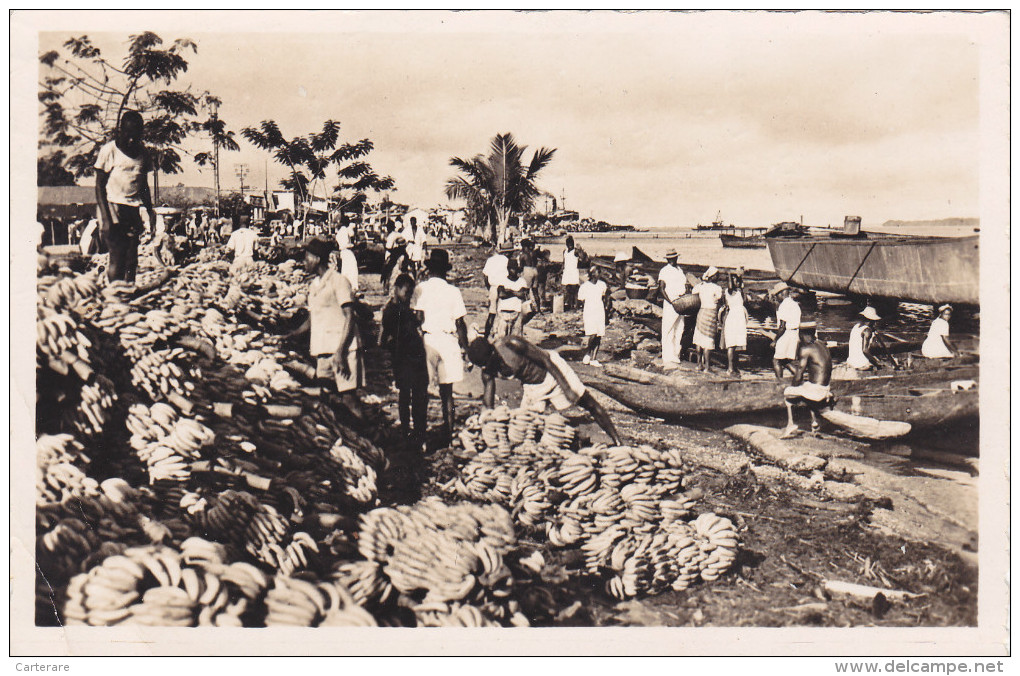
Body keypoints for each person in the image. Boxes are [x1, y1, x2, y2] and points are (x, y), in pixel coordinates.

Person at [467, 335, 623, 445]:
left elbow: (546, 360)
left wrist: (566, 388)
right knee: (525, 427)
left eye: (489, 362)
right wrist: (483, 422)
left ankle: (618, 441)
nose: (488, 368)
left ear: (493, 352)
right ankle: (567, 445)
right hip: (533, 388)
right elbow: (488, 405)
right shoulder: (487, 371)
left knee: (589, 403)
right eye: (483, 366)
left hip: (553, 372)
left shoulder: (511, 344)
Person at [286, 238, 364, 422]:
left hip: (343, 350)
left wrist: (340, 352)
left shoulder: (338, 281)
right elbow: (312, 320)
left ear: (316, 258)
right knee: (325, 396)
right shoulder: (314, 286)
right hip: (323, 352)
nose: (304, 262)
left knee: (348, 398)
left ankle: (364, 438)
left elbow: (350, 316)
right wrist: (292, 334)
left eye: (306, 258)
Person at [413, 248, 469, 443]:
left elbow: (418, 317)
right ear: (446, 270)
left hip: (428, 341)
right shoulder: (453, 291)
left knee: (423, 391)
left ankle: (421, 436)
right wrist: (466, 350)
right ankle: (449, 434)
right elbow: (460, 324)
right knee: (447, 393)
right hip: (448, 341)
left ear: (429, 269)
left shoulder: (421, 288)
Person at [94, 110, 156, 283]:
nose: (131, 140)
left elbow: (143, 185)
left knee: (132, 258)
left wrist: (150, 211)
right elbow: (99, 186)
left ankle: (128, 292)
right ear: (120, 130)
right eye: (127, 134)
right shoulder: (109, 151)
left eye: (135, 136)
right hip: (112, 205)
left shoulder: (143, 154)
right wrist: (105, 218)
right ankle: (115, 294)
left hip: (132, 207)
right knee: (117, 255)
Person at [379, 274, 429, 448]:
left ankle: (413, 431)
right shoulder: (392, 311)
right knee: (408, 395)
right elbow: (384, 335)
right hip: (403, 358)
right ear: (397, 289)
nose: (408, 296)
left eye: (410, 293)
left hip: (412, 357)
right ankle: (410, 431)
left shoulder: (402, 309)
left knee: (413, 396)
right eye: (406, 292)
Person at [781, 322, 833, 438]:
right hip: (825, 388)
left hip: (817, 391)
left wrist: (793, 388)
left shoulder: (805, 348)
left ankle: (791, 425)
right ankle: (814, 423)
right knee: (806, 386)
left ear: (801, 334)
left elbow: (799, 374)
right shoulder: (822, 345)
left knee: (787, 394)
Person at [657, 249, 688, 370]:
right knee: (668, 328)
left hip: (681, 302)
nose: (674, 259)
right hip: (671, 303)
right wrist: (671, 302)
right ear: (668, 259)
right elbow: (661, 288)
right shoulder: (664, 271)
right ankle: (667, 355)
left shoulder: (679, 270)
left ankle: (676, 354)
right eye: (672, 258)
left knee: (679, 328)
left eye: (675, 257)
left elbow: (684, 285)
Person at [691, 267, 724, 373]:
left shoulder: (701, 286)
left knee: (699, 339)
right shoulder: (717, 288)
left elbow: (693, 292)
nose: (718, 277)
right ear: (713, 276)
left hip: (701, 312)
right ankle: (707, 367)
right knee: (708, 340)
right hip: (710, 313)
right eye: (717, 275)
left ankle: (699, 364)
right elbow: (719, 298)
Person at [577, 266, 610, 367]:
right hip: (589, 311)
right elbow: (580, 301)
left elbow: (606, 297)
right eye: (596, 272)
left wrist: (607, 309)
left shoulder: (602, 285)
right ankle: (588, 353)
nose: (598, 274)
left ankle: (594, 358)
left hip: (600, 310)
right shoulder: (584, 286)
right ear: (591, 274)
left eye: (599, 272)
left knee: (599, 335)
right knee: (592, 334)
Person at [771, 282, 802, 380]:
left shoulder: (784, 305)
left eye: (777, 295)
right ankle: (799, 377)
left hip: (786, 335)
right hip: (794, 334)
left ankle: (779, 381)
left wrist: (775, 340)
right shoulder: (794, 304)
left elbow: (782, 327)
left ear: (782, 293)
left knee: (776, 360)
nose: (776, 297)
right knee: (786, 361)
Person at [722, 271, 748, 375]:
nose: (736, 282)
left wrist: (739, 276)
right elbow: (730, 286)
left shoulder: (739, 292)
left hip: (739, 320)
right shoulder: (728, 291)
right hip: (732, 319)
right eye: (734, 281)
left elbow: (743, 300)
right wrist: (730, 275)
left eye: (737, 281)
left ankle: (735, 367)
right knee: (731, 344)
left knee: (737, 345)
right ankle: (730, 368)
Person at [494, 259, 528, 338]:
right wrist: (516, 292)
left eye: (515, 269)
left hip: (517, 313)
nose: (514, 271)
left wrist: (509, 291)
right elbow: (502, 294)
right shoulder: (502, 280)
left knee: (516, 340)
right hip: (503, 314)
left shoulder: (522, 281)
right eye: (512, 269)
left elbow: (523, 294)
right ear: (508, 269)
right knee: (501, 339)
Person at [482, 244, 510, 338]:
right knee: (503, 314)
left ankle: (486, 336)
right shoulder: (506, 260)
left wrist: (489, 288)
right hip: (504, 288)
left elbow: (485, 277)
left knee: (492, 313)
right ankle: (502, 336)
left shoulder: (490, 260)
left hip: (493, 287)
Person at [846, 306, 884, 370]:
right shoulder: (867, 330)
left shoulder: (856, 326)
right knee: (881, 366)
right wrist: (877, 363)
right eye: (874, 321)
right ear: (871, 320)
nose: (875, 323)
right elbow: (865, 350)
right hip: (861, 365)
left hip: (850, 362)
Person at [381, 221, 407, 294]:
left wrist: (384, 245)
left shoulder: (391, 236)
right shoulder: (398, 234)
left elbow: (388, 248)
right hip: (400, 255)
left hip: (392, 255)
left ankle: (386, 289)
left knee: (387, 273)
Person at [561, 236, 580, 310]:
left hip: (573, 271)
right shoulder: (564, 251)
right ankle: (570, 304)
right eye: (568, 243)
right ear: (566, 244)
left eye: (571, 243)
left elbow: (582, 257)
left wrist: (580, 249)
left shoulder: (575, 251)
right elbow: (564, 262)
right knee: (568, 289)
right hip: (567, 271)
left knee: (574, 289)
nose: (570, 245)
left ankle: (575, 305)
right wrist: (561, 271)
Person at [534, 248, 552, 313]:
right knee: (541, 291)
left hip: (540, 278)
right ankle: (541, 305)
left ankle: (541, 304)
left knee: (540, 291)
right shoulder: (544, 262)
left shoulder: (539, 261)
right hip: (541, 278)